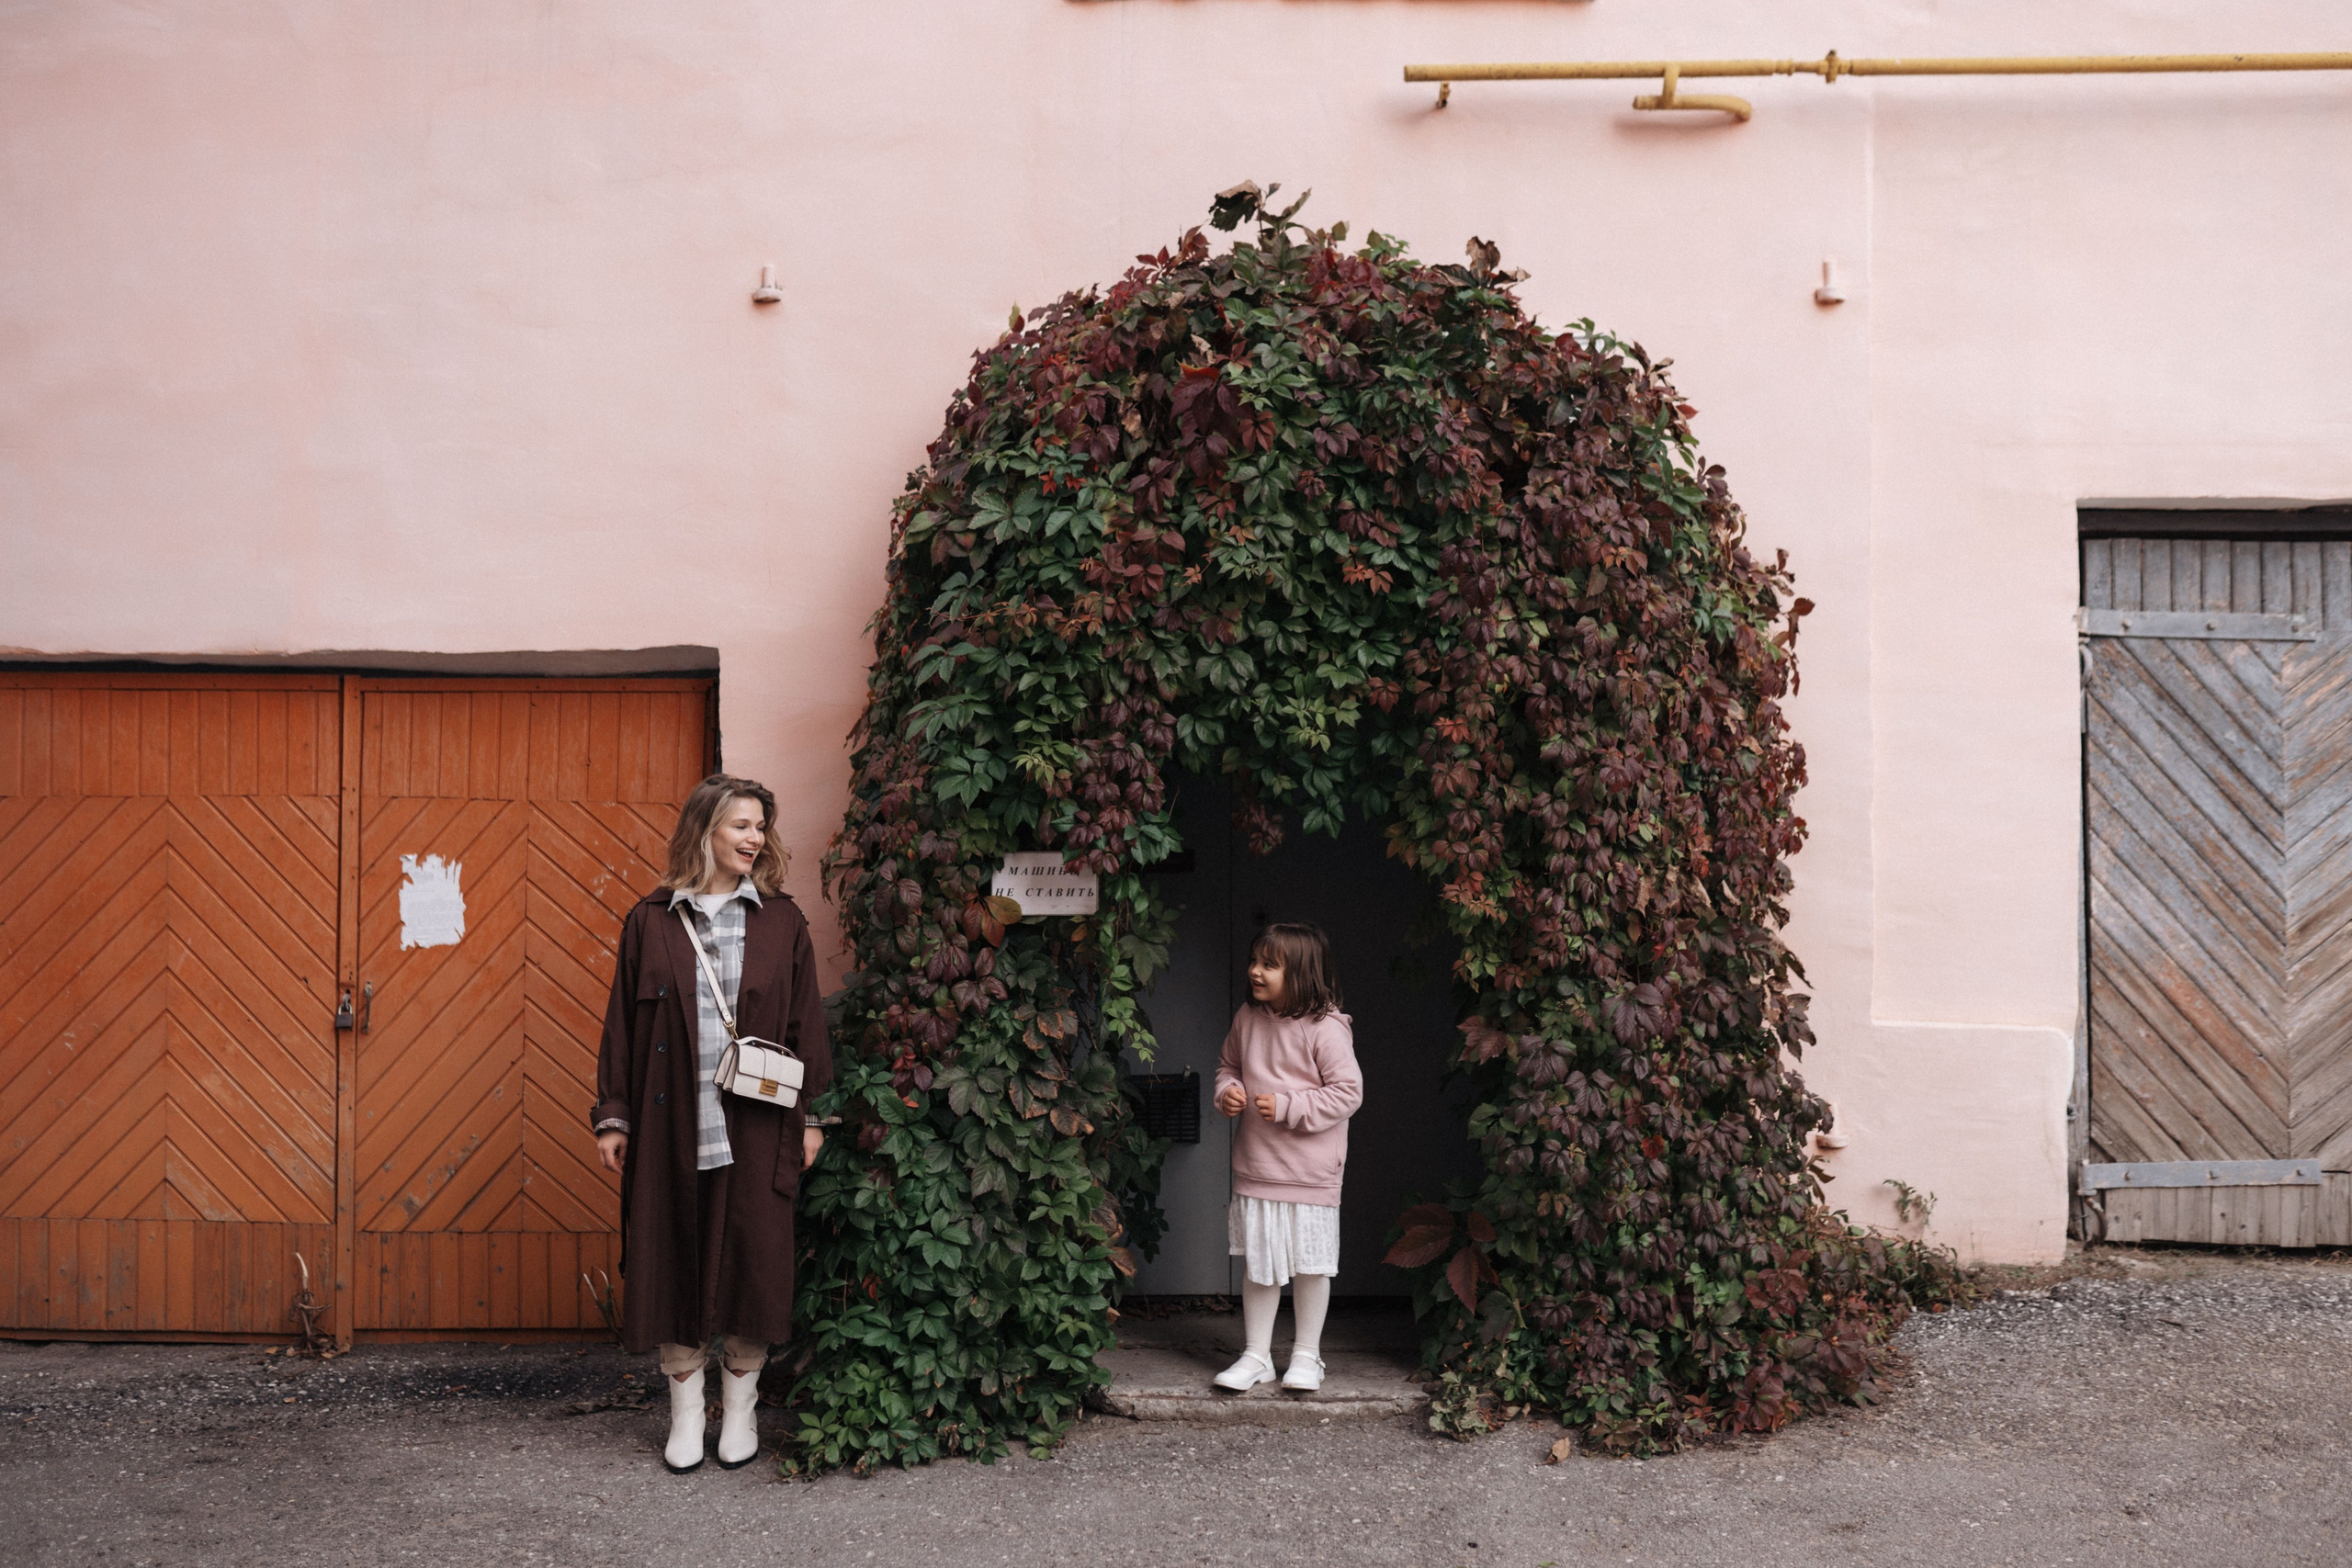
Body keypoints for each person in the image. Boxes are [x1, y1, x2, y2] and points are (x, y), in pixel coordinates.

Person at [590, 773, 832, 1472]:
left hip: (758, 1127)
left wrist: (811, 1116)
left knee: (755, 1264)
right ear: (705, 830)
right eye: (741, 825)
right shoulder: (651, 920)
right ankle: (687, 1417)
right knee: (673, 1263)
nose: (755, 838)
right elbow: (622, 1030)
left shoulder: (782, 921)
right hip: (672, 1128)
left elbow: (804, 1025)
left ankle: (743, 1411)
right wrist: (615, 1115)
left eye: (761, 825)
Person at [1210, 921, 1363, 1393]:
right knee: (1260, 1263)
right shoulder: (1247, 1017)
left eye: (1269, 965)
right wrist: (1228, 1091)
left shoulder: (1326, 1027)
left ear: (1300, 973)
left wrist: (1290, 1106)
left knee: (1310, 1264)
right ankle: (1256, 1356)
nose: (1255, 971)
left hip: (1309, 1172)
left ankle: (1307, 1356)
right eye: (1254, 960)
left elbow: (1348, 1093)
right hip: (1258, 1165)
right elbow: (1228, 1066)